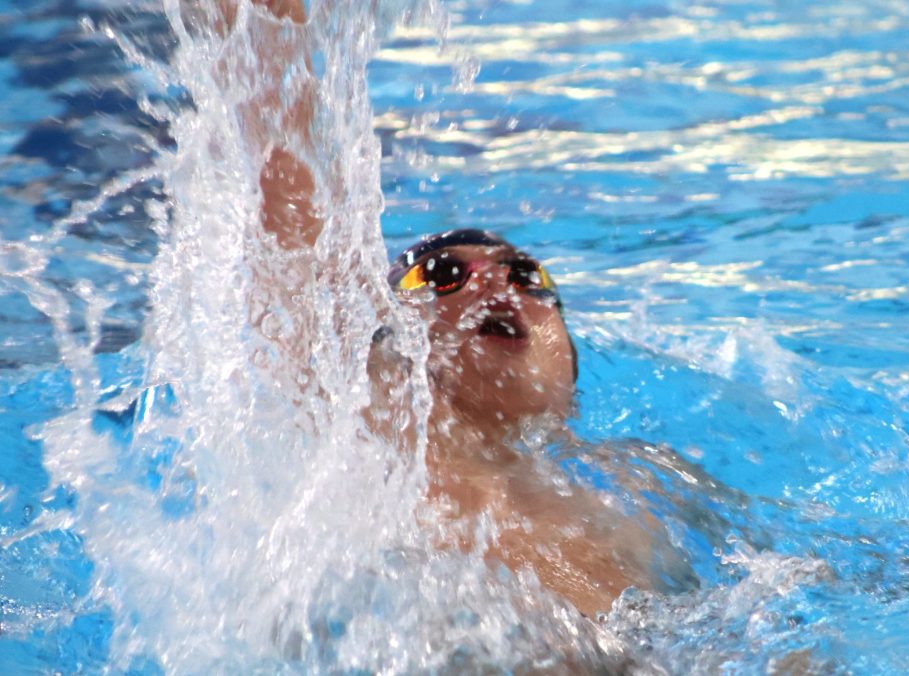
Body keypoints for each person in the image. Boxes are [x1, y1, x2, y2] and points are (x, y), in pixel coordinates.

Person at [206, 0, 677, 618]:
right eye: (444, 275)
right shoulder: (378, 420)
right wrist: (266, 30)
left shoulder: (640, 482)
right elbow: (285, 178)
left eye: (529, 277)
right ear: (386, 337)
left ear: (570, 373)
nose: (498, 283)